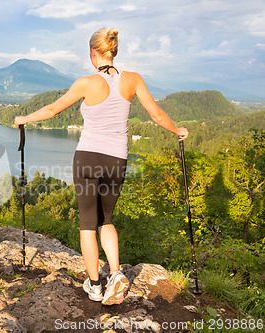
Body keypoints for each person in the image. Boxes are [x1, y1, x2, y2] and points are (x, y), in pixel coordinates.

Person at [14, 27, 188, 305]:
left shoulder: (87, 83)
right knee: (106, 219)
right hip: (117, 160)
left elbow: (52, 110)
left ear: (93, 53)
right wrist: (177, 130)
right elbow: (156, 114)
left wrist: (24, 118)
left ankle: (95, 285)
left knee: (87, 224)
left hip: (88, 158)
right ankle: (116, 273)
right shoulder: (133, 80)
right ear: (113, 51)